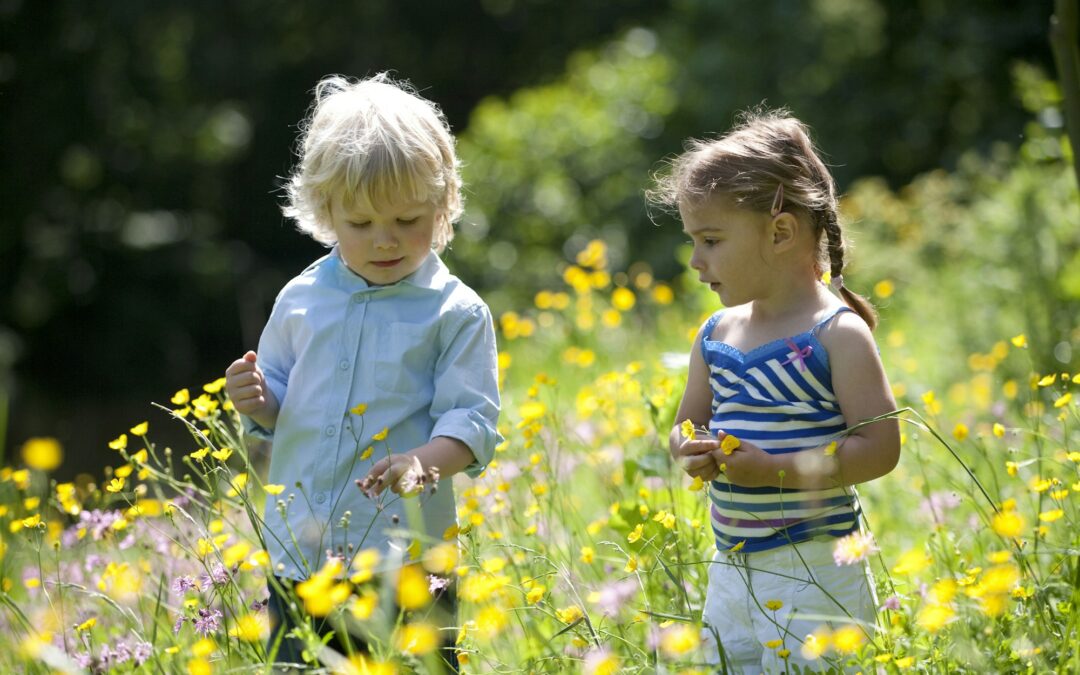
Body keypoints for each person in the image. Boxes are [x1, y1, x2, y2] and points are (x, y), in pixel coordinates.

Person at [224, 73, 501, 669]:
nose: (385, 241)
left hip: (406, 555)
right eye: (361, 224)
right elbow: (280, 406)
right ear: (326, 212)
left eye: (407, 221)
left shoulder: (455, 312)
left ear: (443, 202)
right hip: (302, 550)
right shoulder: (300, 298)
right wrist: (256, 398)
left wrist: (422, 462)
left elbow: (474, 419)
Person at [651, 109, 900, 673]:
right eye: (694, 240)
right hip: (730, 566)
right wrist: (688, 449)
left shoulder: (835, 335)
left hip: (816, 567)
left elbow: (882, 450)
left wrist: (776, 469)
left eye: (710, 240)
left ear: (780, 231)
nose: (695, 261)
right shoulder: (716, 335)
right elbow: (685, 426)